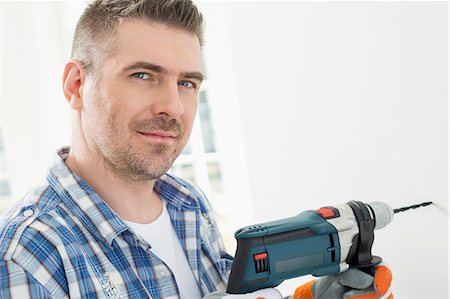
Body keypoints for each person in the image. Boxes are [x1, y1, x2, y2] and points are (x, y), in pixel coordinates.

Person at [0, 1, 392, 298]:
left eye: (187, 82)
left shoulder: (188, 205)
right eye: (143, 75)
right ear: (76, 84)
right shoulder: (29, 255)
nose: (172, 106)